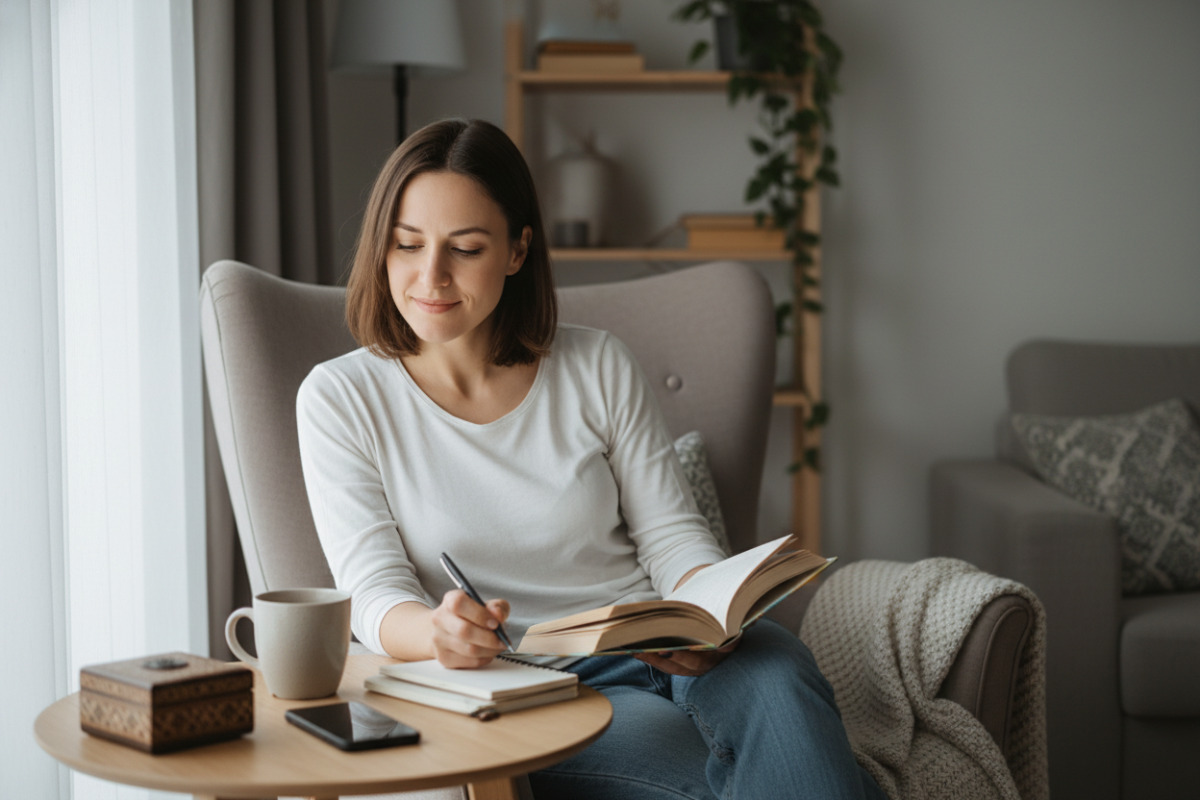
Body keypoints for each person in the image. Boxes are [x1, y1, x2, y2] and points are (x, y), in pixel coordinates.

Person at [296, 117, 886, 800]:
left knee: (781, 679)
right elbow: (373, 595)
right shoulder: (342, 398)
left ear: (517, 251)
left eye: (465, 248)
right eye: (406, 245)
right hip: (537, 684)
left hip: (673, 649)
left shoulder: (597, 362)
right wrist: (436, 632)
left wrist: (706, 612)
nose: (431, 276)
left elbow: (670, 533)